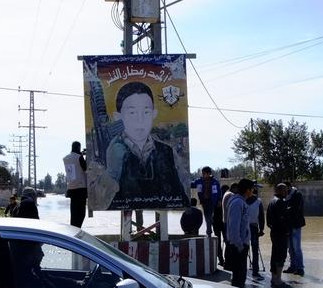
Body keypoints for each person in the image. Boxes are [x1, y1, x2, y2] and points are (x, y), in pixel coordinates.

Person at [101, 81, 188, 210]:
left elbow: (180, 195)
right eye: (132, 113)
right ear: (117, 117)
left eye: (146, 112)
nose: (140, 120)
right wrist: (112, 172)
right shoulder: (112, 153)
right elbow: (99, 202)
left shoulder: (166, 152)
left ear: (154, 114)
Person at [225, 179, 253, 288]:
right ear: (247, 190)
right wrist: (240, 245)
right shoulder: (237, 203)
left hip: (240, 245)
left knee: (240, 276)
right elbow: (233, 227)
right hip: (238, 247)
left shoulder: (241, 202)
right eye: (252, 189)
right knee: (239, 278)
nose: (253, 191)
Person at [266, 183, 291, 288]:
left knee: (274, 255)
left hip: (274, 232)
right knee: (281, 256)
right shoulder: (281, 202)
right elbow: (282, 220)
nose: (287, 192)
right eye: (285, 190)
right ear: (280, 191)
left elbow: (268, 220)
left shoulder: (272, 201)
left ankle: (274, 278)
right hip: (281, 233)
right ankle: (278, 280)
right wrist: (287, 231)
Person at [64, 141, 88, 227]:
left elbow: (75, 164)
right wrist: (86, 156)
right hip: (81, 189)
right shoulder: (79, 157)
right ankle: (77, 229)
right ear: (78, 147)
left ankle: (73, 229)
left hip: (71, 189)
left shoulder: (66, 158)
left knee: (73, 213)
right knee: (81, 213)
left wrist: (81, 154)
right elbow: (86, 168)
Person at [191, 166, 221, 236]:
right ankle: (209, 228)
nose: (205, 175)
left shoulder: (215, 182)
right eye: (203, 173)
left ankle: (209, 231)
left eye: (206, 173)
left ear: (209, 173)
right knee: (207, 216)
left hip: (212, 201)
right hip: (204, 201)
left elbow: (219, 192)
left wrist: (219, 200)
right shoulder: (199, 181)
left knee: (209, 216)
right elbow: (192, 184)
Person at [284, 183, 306, 276]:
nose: (284, 191)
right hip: (288, 225)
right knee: (290, 248)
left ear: (289, 187)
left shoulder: (297, 194)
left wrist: (285, 210)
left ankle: (300, 268)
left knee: (296, 247)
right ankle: (292, 267)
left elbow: (296, 209)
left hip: (296, 224)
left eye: (285, 189)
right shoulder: (285, 195)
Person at [246, 184, 265, 280]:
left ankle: (255, 271)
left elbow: (261, 216)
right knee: (244, 250)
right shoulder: (242, 200)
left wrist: (261, 229)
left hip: (253, 227)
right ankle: (243, 271)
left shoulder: (258, 202)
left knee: (254, 250)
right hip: (244, 228)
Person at [212, 185, 226, 266]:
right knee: (227, 241)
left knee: (218, 242)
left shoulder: (215, 199)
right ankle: (224, 259)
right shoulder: (226, 200)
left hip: (216, 223)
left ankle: (221, 260)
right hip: (222, 223)